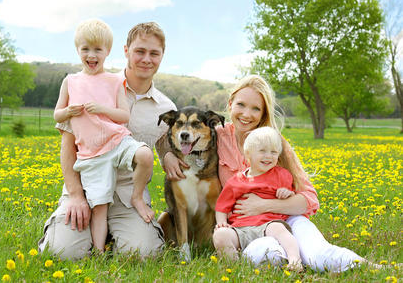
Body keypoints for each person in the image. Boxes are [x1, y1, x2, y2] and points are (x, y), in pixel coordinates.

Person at [161, 74, 378, 272]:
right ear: (230, 105)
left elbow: (309, 199)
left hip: (287, 219)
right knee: (263, 255)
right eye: (241, 105)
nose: (247, 114)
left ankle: (377, 268)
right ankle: (292, 262)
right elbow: (179, 136)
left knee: (317, 256)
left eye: (256, 108)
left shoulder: (274, 143)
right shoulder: (215, 137)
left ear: (264, 112)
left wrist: (265, 205)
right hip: (247, 228)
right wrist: (168, 155)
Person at [38, 22, 176, 259]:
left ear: (162, 56)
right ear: (125, 51)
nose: (146, 59)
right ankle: (77, 233)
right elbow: (68, 148)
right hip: (86, 187)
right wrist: (75, 194)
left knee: (143, 254)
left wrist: (172, 157)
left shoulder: (166, 108)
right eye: (140, 51)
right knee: (63, 253)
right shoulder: (88, 84)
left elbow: (168, 152)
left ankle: (120, 234)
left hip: (127, 198)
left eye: (154, 53)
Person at [213, 127, 302, 271]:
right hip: (241, 228)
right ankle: (234, 266)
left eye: (273, 152)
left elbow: (290, 195)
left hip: (268, 225)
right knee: (220, 235)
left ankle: (294, 260)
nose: (268, 156)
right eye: (262, 151)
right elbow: (221, 207)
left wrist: (286, 193)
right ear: (248, 154)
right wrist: (221, 223)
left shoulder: (281, 175)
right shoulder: (236, 181)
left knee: (280, 229)